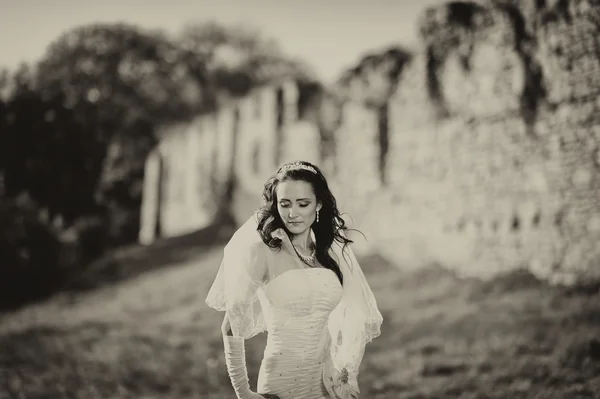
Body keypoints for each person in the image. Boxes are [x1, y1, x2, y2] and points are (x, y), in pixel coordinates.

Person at [206, 160, 383, 399]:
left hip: (325, 384)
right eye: (285, 204)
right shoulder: (261, 252)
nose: (292, 214)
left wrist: (342, 369)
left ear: (318, 204)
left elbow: (326, 315)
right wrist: (244, 393)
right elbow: (231, 325)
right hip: (281, 381)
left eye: (303, 204)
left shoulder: (328, 252)